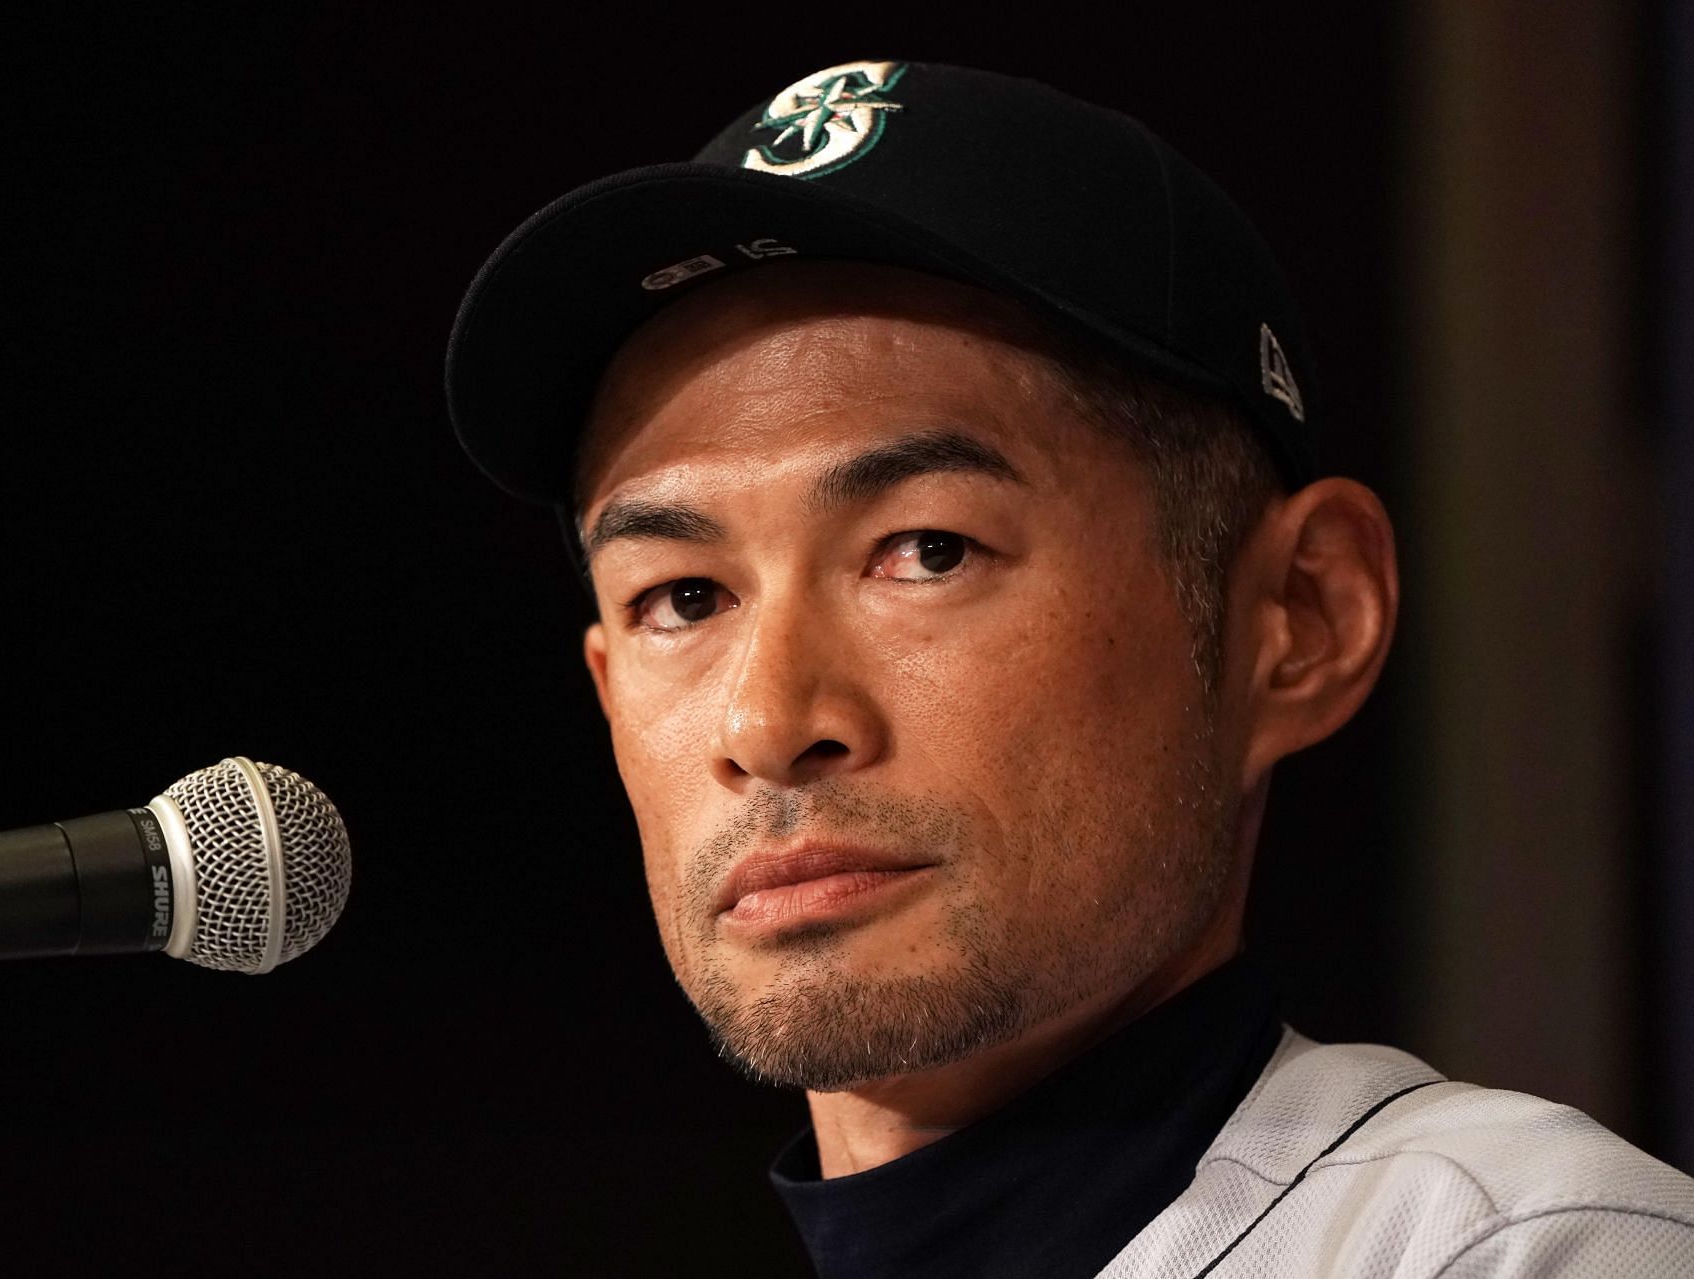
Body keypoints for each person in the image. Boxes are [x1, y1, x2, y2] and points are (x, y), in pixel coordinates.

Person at [443, 60, 1693, 1276]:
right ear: (608, 687)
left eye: (925, 551)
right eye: (684, 597)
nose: (769, 720)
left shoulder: (1531, 1249)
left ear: (1301, 616)